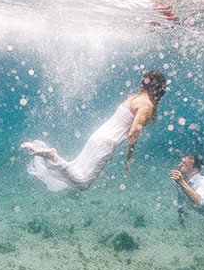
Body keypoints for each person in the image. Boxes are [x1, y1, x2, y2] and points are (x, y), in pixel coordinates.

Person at [21, 70, 167, 191]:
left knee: (76, 169)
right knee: (83, 182)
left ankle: (46, 153)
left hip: (98, 137)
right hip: (106, 143)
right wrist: (129, 159)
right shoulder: (147, 105)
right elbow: (133, 133)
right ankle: (52, 156)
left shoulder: (134, 98)